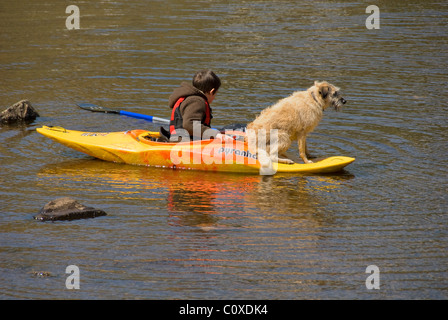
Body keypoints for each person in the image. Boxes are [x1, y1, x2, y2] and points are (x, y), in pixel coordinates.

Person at [167, 70, 230, 141]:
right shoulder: (197, 101)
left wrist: (215, 133)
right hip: (183, 143)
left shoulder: (190, 98)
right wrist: (216, 135)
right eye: (216, 94)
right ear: (211, 91)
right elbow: (189, 125)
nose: (214, 97)